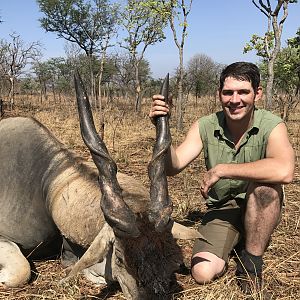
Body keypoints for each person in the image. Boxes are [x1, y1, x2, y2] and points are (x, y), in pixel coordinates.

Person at [149, 62, 295, 297]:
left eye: (243, 92)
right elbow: (172, 166)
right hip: (222, 209)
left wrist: (223, 169)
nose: (235, 100)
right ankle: (239, 238)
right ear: (219, 94)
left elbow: (285, 170)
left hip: (258, 204)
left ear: (257, 93)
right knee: (202, 272)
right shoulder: (205, 125)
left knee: (265, 190)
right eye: (228, 92)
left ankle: (251, 264)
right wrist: (161, 127)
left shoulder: (272, 125)